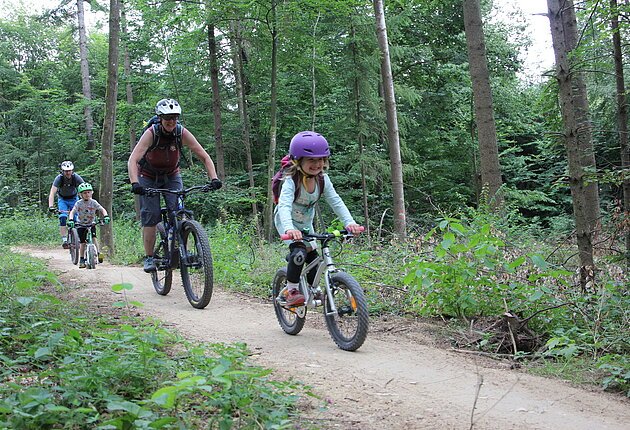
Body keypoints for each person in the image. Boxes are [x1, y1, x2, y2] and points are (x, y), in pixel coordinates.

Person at [128, 98, 222, 273]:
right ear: (160, 118)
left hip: (172, 176)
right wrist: (135, 183)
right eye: (167, 118)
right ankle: (149, 257)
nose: (171, 121)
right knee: (151, 216)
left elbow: (204, 156)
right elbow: (133, 160)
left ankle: (181, 251)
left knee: (179, 213)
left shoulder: (181, 132)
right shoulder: (151, 133)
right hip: (148, 176)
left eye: (174, 117)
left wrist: (214, 178)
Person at [274, 131, 362, 306]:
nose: (317, 164)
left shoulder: (323, 180)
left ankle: (313, 289)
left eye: (321, 159)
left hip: (306, 224)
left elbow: (336, 201)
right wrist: (289, 229)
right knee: (299, 253)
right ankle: (291, 290)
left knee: (313, 257)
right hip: (287, 223)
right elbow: (283, 206)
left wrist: (349, 222)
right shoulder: (292, 180)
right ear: (298, 161)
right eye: (312, 160)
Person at [67, 183, 110, 268]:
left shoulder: (94, 202)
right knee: (82, 243)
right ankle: (82, 259)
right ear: (80, 195)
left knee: (94, 238)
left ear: (92, 193)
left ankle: (98, 253)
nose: (87, 194)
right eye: (84, 193)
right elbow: (72, 212)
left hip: (91, 224)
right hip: (81, 225)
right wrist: (71, 219)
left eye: (88, 192)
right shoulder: (78, 203)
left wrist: (106, 216)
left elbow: (102, 209)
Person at [48, 161, 85, 248]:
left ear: (72, 170)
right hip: (63, 199)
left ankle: (77, 237)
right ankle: (64, 239)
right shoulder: (59, 178)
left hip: (74, 198)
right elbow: (52, 192)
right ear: (62, 171)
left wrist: (86, 202)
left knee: (76, 218)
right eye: (66, 171)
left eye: (69, 170)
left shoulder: (76, 177)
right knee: (63, 217)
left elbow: (85, 188)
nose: (68, 172)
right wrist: (51, 206)